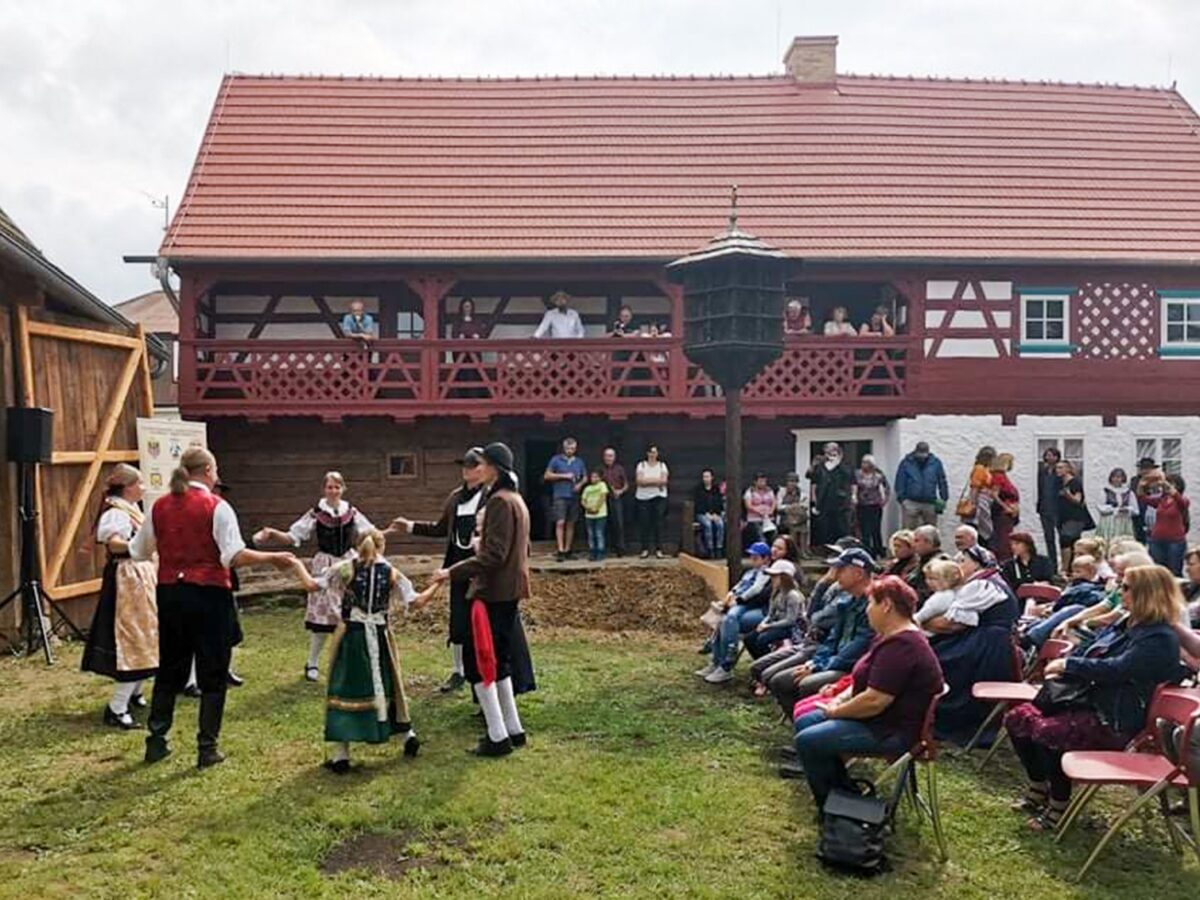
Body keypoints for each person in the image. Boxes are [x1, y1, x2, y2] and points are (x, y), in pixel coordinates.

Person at [132, 447, 297, 768]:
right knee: (213, 672)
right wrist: (273, 558)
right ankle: (207, 747)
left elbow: (139, 550)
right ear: (207, 470)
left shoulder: (159, 507)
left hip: (170, 594)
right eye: (216, 469)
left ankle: (157, 740)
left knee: (169, 670)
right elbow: (232, 555)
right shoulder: (217, 506)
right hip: (209, 595)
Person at [1004, 564, 1185, 831]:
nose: (1118, 591)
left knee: (1049, 733)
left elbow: (1118, 669)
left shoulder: (1158, 638)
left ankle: (1059, 805)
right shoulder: (1128, 623)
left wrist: (1069, 667)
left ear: (1146, 593)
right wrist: (1070, 659)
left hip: (1114, 718)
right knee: (1017, 719)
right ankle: (1038, 787)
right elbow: (1094, 652)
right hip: (1089, 700)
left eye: (1125, 587)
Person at [789, 576, 944, 807]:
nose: (868, 610)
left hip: (892, 731)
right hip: (878, 719)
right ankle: (843, 793)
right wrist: (840, 698)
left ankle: (838, 805)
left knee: (808, 740)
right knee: (807, 720)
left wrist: (836, 712)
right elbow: (863, 679)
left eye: (871, 603)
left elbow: (875, 701)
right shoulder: (889, 637)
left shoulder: (903, 646)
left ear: (886, 605)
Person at [291, 529, 431, 771]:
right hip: (380, 636)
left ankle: (341, 754)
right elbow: (416, 601)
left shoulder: (346, 568)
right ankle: (407, 734)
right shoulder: (392, 572)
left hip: (353, 635)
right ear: (382, 546)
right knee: (388, 682)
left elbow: (312, 585)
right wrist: (439, 583)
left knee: (345, 685)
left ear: (358, 545)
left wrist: (295, 564)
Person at [432, 442, 533, 757]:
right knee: (499, 661)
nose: (481, 468)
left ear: (494, 469)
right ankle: (512, 730)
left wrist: (452, 572)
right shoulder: (515, 499)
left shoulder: (501, 503)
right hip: (508, 591)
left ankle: (497, 736)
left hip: (494, 592)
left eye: (485, 463)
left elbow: (494, 555)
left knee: (481, 664)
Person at [252, 472, 375, 682]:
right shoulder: (316, 513)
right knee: (322, 618)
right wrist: (272, 533)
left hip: (348, 563)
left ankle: (348, 664)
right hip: (325, 565)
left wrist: (393, 530)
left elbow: (372, 533)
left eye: (337, 487)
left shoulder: (352, 512)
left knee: (350, 615)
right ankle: (312, 663)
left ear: (343, 489)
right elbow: (293, 536)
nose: (333, 491)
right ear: (324, 489)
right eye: (329, 487)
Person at [391, 447, 486, 693]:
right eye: (464, 465)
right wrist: (410, 526)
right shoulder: (455, 497)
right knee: (458, 618)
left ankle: (483, 671)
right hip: (455, 565)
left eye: (471, 465)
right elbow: (440, 528)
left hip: (481, 567)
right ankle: (458, 671)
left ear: (482, 468)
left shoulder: (490, 496)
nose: (466, 469)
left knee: (481, 619)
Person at [81, 465, 159, 730]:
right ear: (128, 487)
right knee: (133, 637)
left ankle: (134, 692)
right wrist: (140, 546)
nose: (144, 487)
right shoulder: (116, 512)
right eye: (140, 483)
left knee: (146, 635)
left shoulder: (129, 509)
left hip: (140, 576)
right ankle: (117, 706)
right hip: (127, 580)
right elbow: (114, 542)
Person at [925, 545, 1019, 744]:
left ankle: (949, 723)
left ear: (977, 564)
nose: (958, 566)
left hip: (988, 645)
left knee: (941, 660)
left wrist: (922, 622)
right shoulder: (988, 580)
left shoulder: (981, 584)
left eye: (963, 561)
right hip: (989, 641)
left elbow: (953, 624)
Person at [784, 547, 876, 708]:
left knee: (804, 683)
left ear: (859, 574)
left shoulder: (874, 606)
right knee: (780, 680)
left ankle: (812, 722)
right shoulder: (847, 603)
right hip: (831, 659)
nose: (835, 574)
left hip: (852, 668)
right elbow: (831, 640)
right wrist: (814, 663)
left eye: (841, 569)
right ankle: (802, 721)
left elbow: (856, 650)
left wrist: (819, 666)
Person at [698, 541, 775, 682]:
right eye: (751, 557)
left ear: (766, 559)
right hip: (741, 602)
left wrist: (739, 599)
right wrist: (730, 594)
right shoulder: (749, 572)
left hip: (751, 606)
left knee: (730, 618)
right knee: (723, 619)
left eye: (756, 558)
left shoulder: (765, 573)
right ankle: (717, 661)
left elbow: (756, 589)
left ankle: (728, 658)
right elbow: (739, 584)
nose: (752, 560)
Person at [1020, 555, 1107, 649]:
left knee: (1074, 609)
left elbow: (1064, 600)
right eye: (1074, 572)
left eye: (1078, 572)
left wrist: (1054, 607)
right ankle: (1028, 632)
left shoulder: (1093, 588)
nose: (1074, 574)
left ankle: (1031, 637)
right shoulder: (1079, 585)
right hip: (1065, 611)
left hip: (1081, 617)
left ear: (1092, 571)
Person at [741, 560, 804, 660]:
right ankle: (760, 662)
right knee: (749, 639)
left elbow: (791, 621)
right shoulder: (776, 593)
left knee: (763, 639)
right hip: (776, 624)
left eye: (775, 576)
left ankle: (768, 663)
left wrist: (769, 626)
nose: (772, 579)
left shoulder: (793, 595)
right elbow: (771, 614)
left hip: (791, 629)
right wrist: (763, 624)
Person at [544, 437, 587, 562]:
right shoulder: (556, 460)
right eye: (568, 448)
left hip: (574, 496)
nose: (570, 450)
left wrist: (580, 485)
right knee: (560, 522)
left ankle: (568, 549)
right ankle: (560, 549)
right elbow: (547, 475)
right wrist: (564, 476)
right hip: (560, 495)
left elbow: (585, 477)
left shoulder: (579, 461)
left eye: (573, 448)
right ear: (564, 448)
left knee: (571, 523)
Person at [1140, 473, 1190, 576]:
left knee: (1174, 571)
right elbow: (1143, 498)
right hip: (1157, 540)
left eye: (1171, 483)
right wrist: (1142, 485)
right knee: (1157, 572)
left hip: (1175, 541)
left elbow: (1183, 504)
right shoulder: (1161, 500)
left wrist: (1173, 491)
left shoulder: (1182, 500)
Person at [806, 442, 852, 548]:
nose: (831, 453)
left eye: (833, 450)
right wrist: (814, 464)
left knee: (840, 528)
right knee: (824, 528)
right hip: (823, 501)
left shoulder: (843, 465)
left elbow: (849, 476)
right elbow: (810, 476)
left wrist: (838, 463)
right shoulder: (820, 465)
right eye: (828, 450)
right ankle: (826, 550)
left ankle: (841, 549)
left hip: (840, 503)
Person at [894, 442, 949, 529]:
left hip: (930, 502)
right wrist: (902, 499)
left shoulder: (935, 463)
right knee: (908, 531)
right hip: (911, 502)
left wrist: (944, 498)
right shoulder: (906, 463)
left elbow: (942, 480)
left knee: (930, 531)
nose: (922, 457)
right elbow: (900, 480)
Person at [1056, 460, 1093, 574]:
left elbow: (1078, 500)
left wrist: (1068, 495)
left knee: (1066, 539)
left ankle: (1065, 569)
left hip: (1075, 517)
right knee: (1072, 543)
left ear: (1068, 469)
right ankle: (1074, 569)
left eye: (1061, 468)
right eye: (1057, 468)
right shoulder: (1060, 483)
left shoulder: (1075, 482)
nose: (1058, 470)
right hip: (1064, 517)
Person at [913, 558, 965, 636]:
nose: (928, 582)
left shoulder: (943, 596)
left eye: (933, 579)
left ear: (948, 579)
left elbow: (922, 615)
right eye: (926, 578)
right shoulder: (954, 594)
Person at [635, 444, 669, 558]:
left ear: (657, 454)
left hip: (659, 497)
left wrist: (647, 481)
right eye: (651, 452)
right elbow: (639, 481)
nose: (653, 454)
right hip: (643, 498)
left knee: (658, 523)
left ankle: (659, 549)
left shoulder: (662, 465)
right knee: (645, 523)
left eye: (655, 452)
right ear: (647, 453)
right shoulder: (641, 465)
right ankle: (645, 549)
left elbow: (664, 481)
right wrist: (656, 481)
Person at [853, 455, 889, 558]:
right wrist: (854, 498)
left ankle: (878, 550)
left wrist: (884, 500)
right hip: (862, 505)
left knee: (876, 529)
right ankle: (866, 551)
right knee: (864, 530)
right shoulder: (857, 474)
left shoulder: (878, 475)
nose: (864, 464)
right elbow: (853, 487)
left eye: (866, 462)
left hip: (875, 505)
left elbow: (886, 488)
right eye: (863, 462)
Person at [989, 452, 1020, 562]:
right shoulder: (998, 477)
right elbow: (994, 494)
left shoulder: (1003, 476)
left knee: (1006, 537)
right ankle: (1004, 561)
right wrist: (1005, 507)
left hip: (1009, 513)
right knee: (1003, 539)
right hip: (1002, 513)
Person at [1096, 466, 1138, 545]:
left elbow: (1135, 510)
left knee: (1124, 543)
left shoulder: (1129, 492)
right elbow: (1100, 506)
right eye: (1114, 477)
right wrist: (1115, 510)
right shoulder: (1105, 491)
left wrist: (1127, 509)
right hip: (1109, 522)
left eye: (1119, 477)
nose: (1116, 479)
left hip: (1124, 521)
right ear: (1111, 478)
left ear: (1123, 478)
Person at [1036, 447, 1063, 570]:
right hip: (1045, 508)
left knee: (1063, 537)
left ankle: (1065, 564)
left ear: (1057, 457)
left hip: (1058, 509)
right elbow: (1040, 488)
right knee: (1049, 538)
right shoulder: (1042, 471)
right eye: (1047, 455)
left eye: (1052, 455)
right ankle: (1053, 566)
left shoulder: (1060, 471)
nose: (1049, 457)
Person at [908, 524, 947, 601]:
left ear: (929, 542)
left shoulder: (939, 562)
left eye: (917, 541)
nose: (913, 545)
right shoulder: (922, 560)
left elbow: (929, 591)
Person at [692, 468, 725, 560]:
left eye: (707, 476)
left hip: (715, 514)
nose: (706, 478)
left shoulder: (716, 489)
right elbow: (698, 504)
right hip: (702, 514)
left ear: (712, 478)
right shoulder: (698, 489)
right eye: (704, 477)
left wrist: (716, 514)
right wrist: (706, 514)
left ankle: (719, 548)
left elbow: (719, 503)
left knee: (720, 525)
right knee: (708, 525)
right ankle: (710, 550)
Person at [602, 447, 629, 557]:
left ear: (614, 457)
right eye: (607, 456)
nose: (609, 458)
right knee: (603, 524)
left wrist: (620, 491)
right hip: (603, 499)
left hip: (616, 498)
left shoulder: (620, 469)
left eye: (611, 456)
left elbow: (626, 484)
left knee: (618, 523)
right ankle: (603, 549)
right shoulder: (599, 469)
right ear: (603, 457)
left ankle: (620, 549)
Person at [580, 469, 610, 561]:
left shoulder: (602, 485)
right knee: (591, 534)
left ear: (600, 478)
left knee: (599, 533)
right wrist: (588, 508)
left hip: (600, 514)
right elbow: (583, 500)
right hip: (589, 515)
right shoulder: (587, 488)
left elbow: (603, 497)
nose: (594, 478)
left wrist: (596, 508)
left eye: (596, 477)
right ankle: (592, 551)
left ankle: (600, 551)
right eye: (592, 477)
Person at [742, 472, 778, 545]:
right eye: (760, 481)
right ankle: (763, 552)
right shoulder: (750, 492)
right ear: (755, 482)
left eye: (764, 481)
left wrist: (771, 511)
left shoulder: (769, 491)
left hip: (768, 519)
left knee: (774, 534)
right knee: (760, 535)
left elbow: (774, 502)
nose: (763, 483)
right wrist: (759, 512)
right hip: (754, 519)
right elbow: (748, 505)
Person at [774, 472, 806, 541]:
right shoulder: (781, 492)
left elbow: (804, 506)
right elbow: (778, 507)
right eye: (791, 481)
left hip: (797, 524)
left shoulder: (802, 493)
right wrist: (791, 507)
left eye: (795, 481)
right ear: (786, 482)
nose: (792, 484)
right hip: (783, 523)